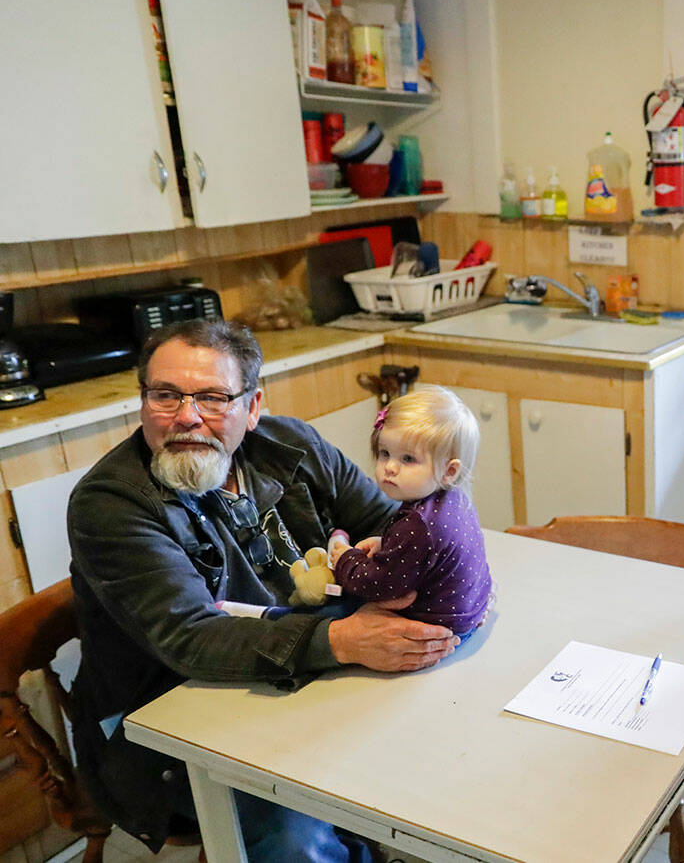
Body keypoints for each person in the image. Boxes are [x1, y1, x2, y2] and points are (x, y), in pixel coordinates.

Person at [68, 319, 462, 862]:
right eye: (165, 395)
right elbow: (191, 639)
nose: (186, 416)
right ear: (143, 402)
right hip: (170, 721)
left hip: (300, 681)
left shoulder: (294, 445)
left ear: (252, 409)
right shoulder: (111, 504)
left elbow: (394, 526)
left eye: (212, 397)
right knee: (295, 839)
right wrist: (344, 641)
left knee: (437, 734)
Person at [329, 387, 493, 637]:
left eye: (408, 459)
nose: (390, 467)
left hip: (437, 626)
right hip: (472, 607)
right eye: (385, 454)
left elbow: (379, 585)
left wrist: (346, 560)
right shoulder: (453, 498)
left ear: (449, 471)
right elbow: (427, 550)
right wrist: (387, 543)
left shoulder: (417, 523)